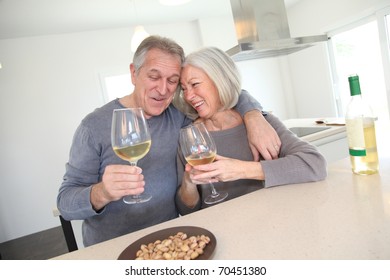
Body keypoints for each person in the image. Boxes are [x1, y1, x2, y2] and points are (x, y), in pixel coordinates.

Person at [57, 36, 281, 247]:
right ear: (134, 73)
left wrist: (253, 115)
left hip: (172, 241)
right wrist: (102, 193)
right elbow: (65, 203)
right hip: (113, 248)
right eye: (154, 77)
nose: (163, 90)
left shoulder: (178, 113)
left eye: (173, 81)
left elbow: (224, 92)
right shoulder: (93, 126)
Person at [174, 46, 327, 215]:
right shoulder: (189, 137)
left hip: (272, 220)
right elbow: (186, 210)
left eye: (194, 84)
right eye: (184, 88)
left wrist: (241, 170)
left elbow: (315, 165)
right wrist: (189, 183)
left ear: (220, 80)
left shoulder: (261, 123)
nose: (188, 96)